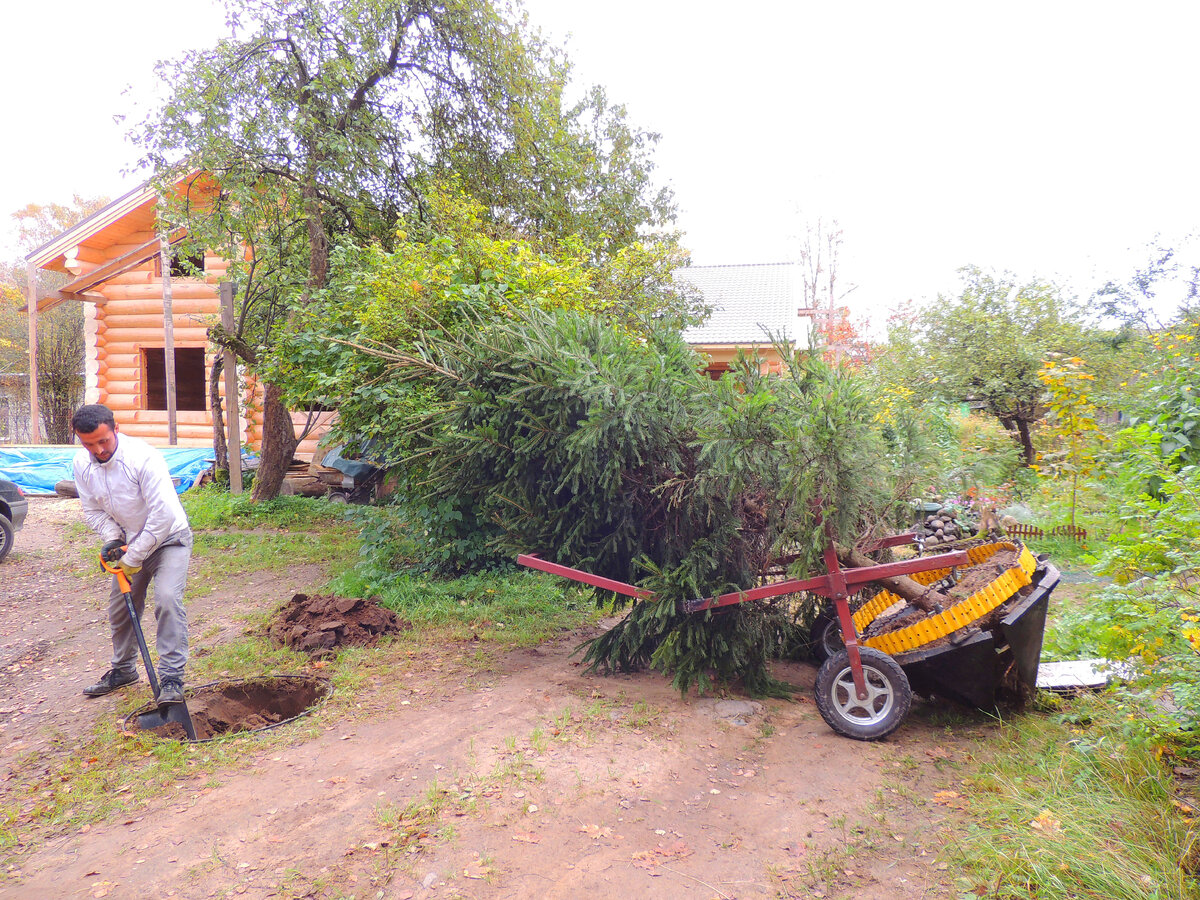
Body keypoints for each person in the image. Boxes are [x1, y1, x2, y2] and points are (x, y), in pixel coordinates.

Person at [71, 403, 193, 703]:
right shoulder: (81, 464)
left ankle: (171, 679)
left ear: (115, 430)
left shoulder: (143, 458)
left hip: (170, 540)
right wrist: (113, 538)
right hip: (130, 542)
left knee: (166, 599)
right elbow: (93, 509)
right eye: (89, 444)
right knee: (121, 609)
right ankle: (124, 670)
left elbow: (162, 516)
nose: (98, 450)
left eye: (103, 441)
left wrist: (132, 557)